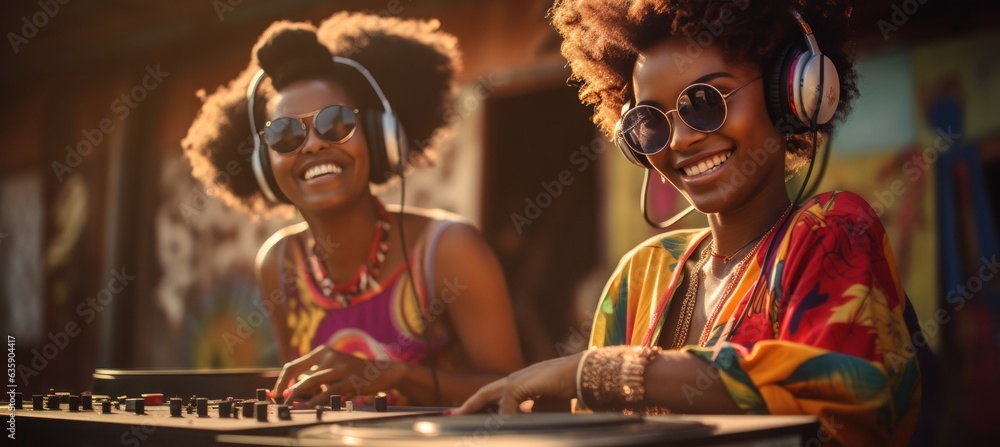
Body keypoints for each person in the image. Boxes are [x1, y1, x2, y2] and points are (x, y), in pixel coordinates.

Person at [454, 1, 932, 445]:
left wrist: (593, 372)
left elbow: (843, 387)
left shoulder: (832, 230)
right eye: (651, 122)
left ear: (791, 92)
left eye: (704, 102)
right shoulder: (641, 275)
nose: (679, 141)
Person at [181, 11, 523, 408]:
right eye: (285, 133)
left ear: (379, 137)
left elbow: (516, 391)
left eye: (335, 122)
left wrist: (396, 375)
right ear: (264, 163)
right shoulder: (278, 264)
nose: (311, 145)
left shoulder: (449, 250)